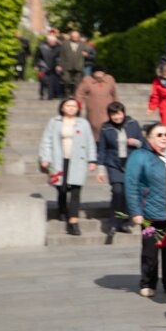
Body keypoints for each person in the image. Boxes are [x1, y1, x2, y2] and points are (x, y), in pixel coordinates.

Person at [125, 122, 166, 298]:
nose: (164, 138)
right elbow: (131, 184)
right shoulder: (140, 156)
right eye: (159, 135)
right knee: (150, 250)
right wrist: (136, 211)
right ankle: (147, 283)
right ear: (149, 138)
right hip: (151, 213)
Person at [38, 97, 98, 236]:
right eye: (68, 105)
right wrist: (45, 158)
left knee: (76, 190)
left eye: (74, 106)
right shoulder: (54, 122)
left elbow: (90, 141)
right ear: (62, 107)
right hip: (58, 160)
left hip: (78, 160)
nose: (71, 108)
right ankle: (62, 208)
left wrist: (92, 160)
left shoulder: (83, 123)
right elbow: (46, 140)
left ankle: (73, 222)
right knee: (62, 188)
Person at [97, 103, 144, 234]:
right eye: (113, 114)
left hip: (131, 163)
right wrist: (100, 169)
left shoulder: (133, 124)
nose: (117, 117)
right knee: (117, 191)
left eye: (118, 113)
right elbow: (102, 149)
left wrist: (135, 142)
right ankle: (113, 223)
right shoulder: (106, 128)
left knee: (128, 193)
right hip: (114, 164)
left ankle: (124, 222)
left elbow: (143, 143)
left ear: (123, 112)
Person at [74, 67, 119, 133]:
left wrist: (117, 105)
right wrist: (77, 106)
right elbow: (79, 94)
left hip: (108, 107)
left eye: (101, 72)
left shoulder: (110, 79)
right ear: (93, 73)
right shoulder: (87, 80)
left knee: (108, 125)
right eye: (97, 72)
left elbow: (114, 93)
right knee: (94, 125)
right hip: (94, 108)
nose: (99, 73)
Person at [58, 31, 86, 98]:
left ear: (79, 37)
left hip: (78, 66)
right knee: (66, 80)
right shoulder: (65, 44)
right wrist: (60, 65)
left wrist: (86, 54)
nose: (75, 38)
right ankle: (67, 94)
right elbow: (61, 55)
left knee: (77, 82)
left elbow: (88, 53)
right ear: (71, 37)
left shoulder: (82, 44)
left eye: (77, 37)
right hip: (67, 65)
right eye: (74, 36)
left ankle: (75, 94)